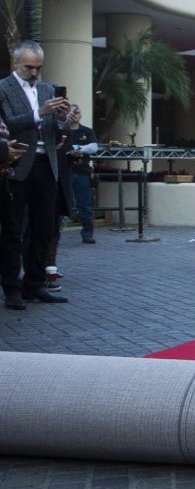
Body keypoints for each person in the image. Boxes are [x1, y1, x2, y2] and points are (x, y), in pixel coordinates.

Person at [0, 41, 70, 310]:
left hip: (46, 164)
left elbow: (56, 131)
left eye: (38, 67)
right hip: (17, 164)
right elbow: (8, 123)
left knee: (44, 229)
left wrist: (62, 119)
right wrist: (39, 113)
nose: (34, 72)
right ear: (15, 62)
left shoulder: (47, 90)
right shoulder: (3, 88)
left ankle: (35, 284)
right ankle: (11, 288)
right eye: (29, 67)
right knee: (12, 230)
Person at [66, 104, 98, 244]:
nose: (75, 115)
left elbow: (94, 147)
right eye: (72, 112)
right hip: (64, 172)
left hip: (82, 172)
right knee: (59, 204)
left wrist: (80, 149)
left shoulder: (87, 131)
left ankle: (87, 234)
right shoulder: (62, 130)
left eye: (77, 112)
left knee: (84, 205)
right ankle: (54, 234)